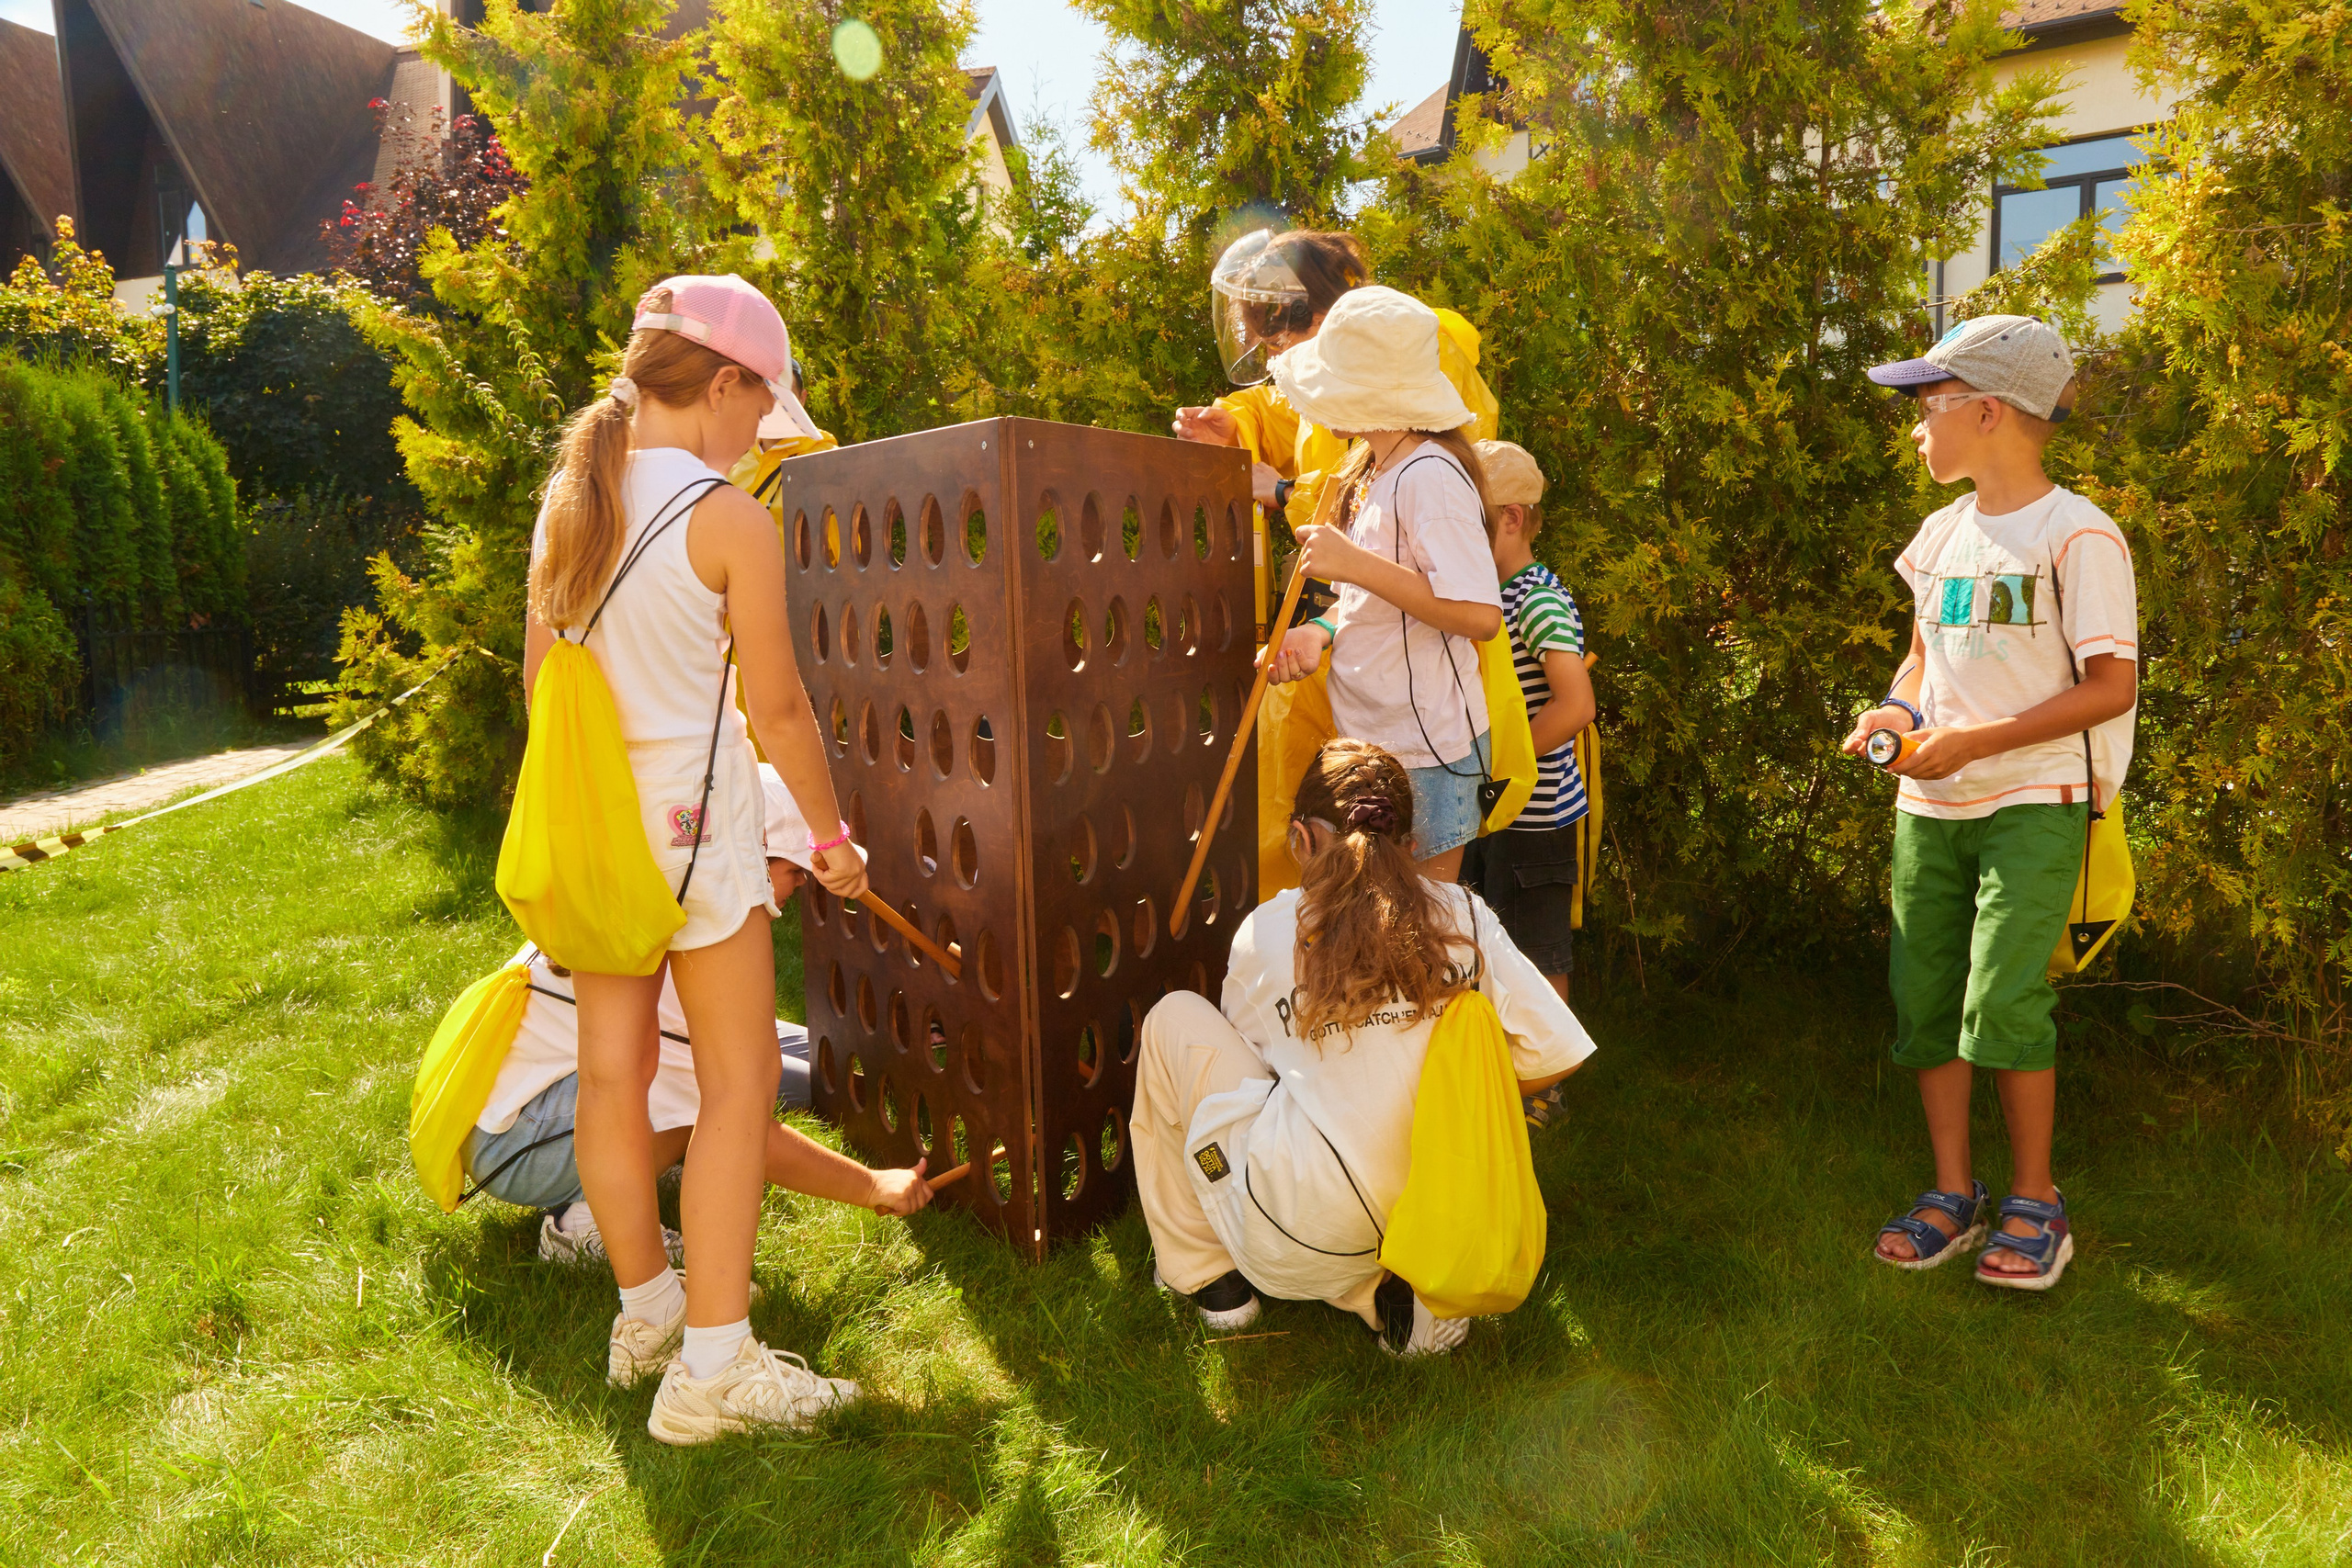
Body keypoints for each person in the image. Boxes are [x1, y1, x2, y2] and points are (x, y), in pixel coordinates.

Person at [524, 274, 872, 1444]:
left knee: (612, 1076)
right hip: (695, 837)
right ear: (723, 383)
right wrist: (829, 840)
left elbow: (541, 693)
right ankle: (715, 1368)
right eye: (760, 405)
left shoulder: (572, 501)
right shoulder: (724, 518)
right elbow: (779, 708)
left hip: (595, 836)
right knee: (738, 1083)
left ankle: (646, 1314)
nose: (760, 433)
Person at [1129, 739, 1595, 1356]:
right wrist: (1464, 1098)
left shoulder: (1269, 930)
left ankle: (1212, 1280)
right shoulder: (1464, 914)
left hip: (1299, 1229)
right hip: (1442, 1212)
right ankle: (1398, 1289)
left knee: (1173, 1020)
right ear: (1410, 843)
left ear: (1300, 839)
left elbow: (1254, 1068)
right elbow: (1558, 1052)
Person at [1847, 316, 2138, 1292]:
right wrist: (1895, 714)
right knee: (1924, 995)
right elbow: (1922, 660)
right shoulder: (1939, 535)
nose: (1914, 428)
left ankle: (2036, 1201)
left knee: (2004, 998)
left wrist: (1975, 743)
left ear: (1986, 412)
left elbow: (2111, 687)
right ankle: (1951, 1193)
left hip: (2035, 799)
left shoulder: (2078, 534)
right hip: (1930, 806)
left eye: (1927, 405)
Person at [463, 770, 931, 1344]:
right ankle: (578, 1220)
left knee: (796, 1071)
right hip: (515, 1145)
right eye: (794, 872)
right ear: (754, 855)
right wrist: (872, 1186)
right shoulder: (683, 945)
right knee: (718, 1112)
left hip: (527, 1108)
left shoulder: (671, 891)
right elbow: (747, 1124)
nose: (799, 887)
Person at [1261, 287, 1505, 882]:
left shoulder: (1430, 475)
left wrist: (1353, 563)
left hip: (1428, 759)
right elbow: (1376, 603)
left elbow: (1479, 615)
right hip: (1381, 749)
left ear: (1369, 392)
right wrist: (1319, 633)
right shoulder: (1379, 469)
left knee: (1421, 930)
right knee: (1379, 926)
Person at [1171, 228, 1499, 634]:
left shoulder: (1413, 362)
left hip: (1423, 638)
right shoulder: (1354, 390)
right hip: (1363, 628)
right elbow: (1288, 414)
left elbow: (1460, 594)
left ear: (1322, 322)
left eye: (1279, 345)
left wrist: (1287, 491)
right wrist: (1233, 429)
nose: (1284, 364)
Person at [1459, 441, 1595, 1132]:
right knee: (1493, 942)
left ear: (1510, 518)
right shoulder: (1492, 595)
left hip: (1536, 814)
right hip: (1495, 807)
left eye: (1469, 521)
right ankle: (1503, 1070)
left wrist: (1502, 764)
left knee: (1539, 953)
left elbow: (1575, 705)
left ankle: (1548, 1085)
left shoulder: (1536, 598)